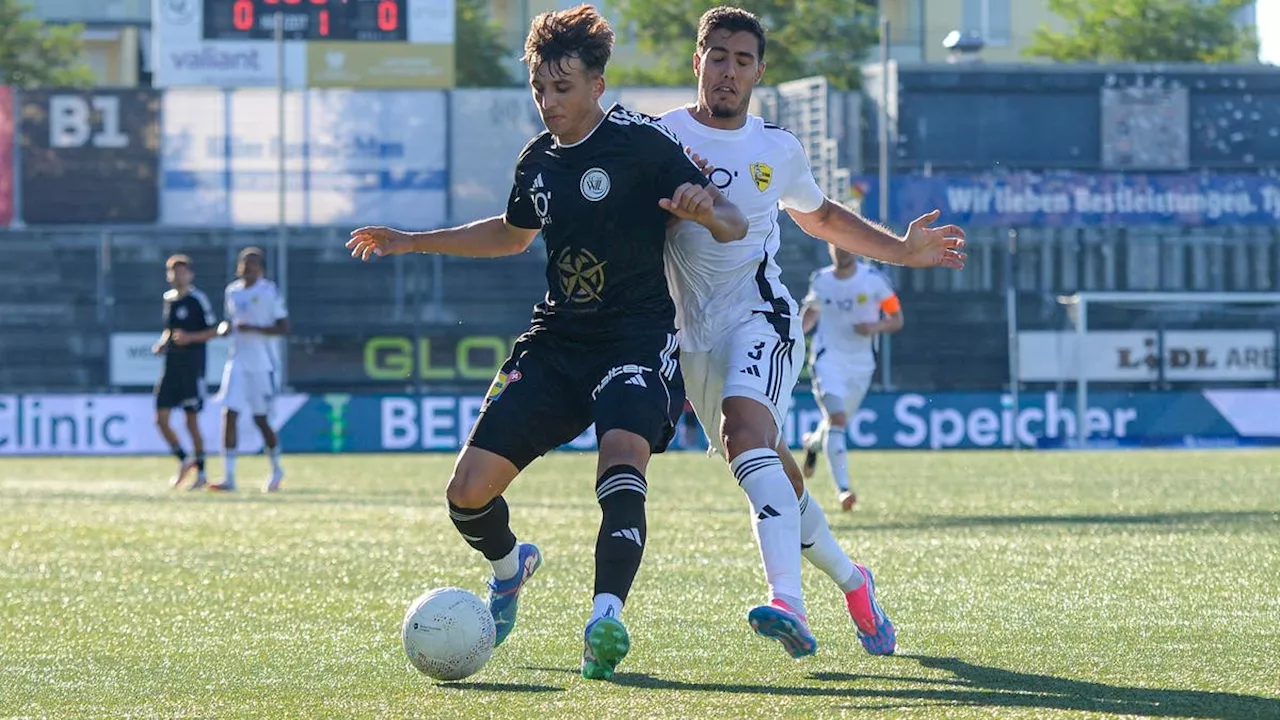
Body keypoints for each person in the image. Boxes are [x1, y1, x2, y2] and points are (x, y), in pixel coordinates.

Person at [345, 5, 747, 681]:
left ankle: (604, 618)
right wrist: (414, 240)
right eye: (538, 89)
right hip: (557, 342)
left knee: (622, 456)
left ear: (596, 83)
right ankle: (511, 567)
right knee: (466, 492)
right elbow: (511, 233)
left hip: (635, 338)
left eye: (561, 88)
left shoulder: (642, 144)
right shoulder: (537, 161)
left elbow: (731, 219)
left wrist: (711, 212)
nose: (548, 102)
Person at [657, 6, 964, 659]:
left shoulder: (777, 149)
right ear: (697, 61)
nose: (729, 71)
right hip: (696, 337)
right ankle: (856, 583)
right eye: (718, 56)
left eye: (743, 61)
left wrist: (900, 252)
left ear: (759, 72)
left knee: (746, 438)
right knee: (772, 471)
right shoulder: (658, 138)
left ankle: (786, 603)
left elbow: (820, 214)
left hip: (762, 315)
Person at [800, 247, 904, 511]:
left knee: (836, 421)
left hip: (860, 365)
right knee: (838, 420)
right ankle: (843, 490)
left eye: (847, 246)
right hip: (827, 359)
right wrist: (795, 332)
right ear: (829, 248)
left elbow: (896, 319)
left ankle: (812, 443)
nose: (842, 251)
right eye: (836, 246)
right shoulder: (821, 280)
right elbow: (811, 312)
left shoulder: (874, 280)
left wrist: (875, 327)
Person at [210, 247, 289, 493]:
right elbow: (230, 321)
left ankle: (276, 468)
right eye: (244, 264)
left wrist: (254, 328)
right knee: (229, 414)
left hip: (262, 364)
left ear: (261, 270)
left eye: (253, 264)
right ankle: (229, 477)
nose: (247, 268)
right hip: (237, 362)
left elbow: (283, 327)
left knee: (261, 419)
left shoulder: (268, 292)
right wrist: (225, 328)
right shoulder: (232, 292)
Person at [152, 254, 217, 490]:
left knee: (191, 421)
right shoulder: (168, 299)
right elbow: (169, 330)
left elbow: (214, 330)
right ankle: (184, 459)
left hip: (192, 368)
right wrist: (163, 342)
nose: (177, 276)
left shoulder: (197, 299)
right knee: (160, 419)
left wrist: (190, 338)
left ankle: (201, 472)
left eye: (182, 271)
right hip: (170, 368)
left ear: (190, 274)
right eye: (173, 271)